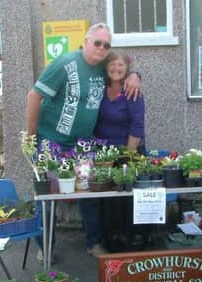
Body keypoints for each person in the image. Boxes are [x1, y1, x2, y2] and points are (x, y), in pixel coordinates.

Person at [26, 22, 141, 258]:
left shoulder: (102, 67)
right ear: (86, 42)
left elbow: (121, 68)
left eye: (106, 45)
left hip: (84, 143)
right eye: (97, 42)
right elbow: (34, 96)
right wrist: (31, 137)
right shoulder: (64, 64)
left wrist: (135, 75)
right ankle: (44, 247)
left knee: (89, 193)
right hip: (51, 141)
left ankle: (94, 243)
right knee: (47, 196)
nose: (101, 48)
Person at [94, 52, 147, 250]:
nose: (116, 69)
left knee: (127, 198)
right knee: (107, 200)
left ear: (127, 70)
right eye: (112, 65)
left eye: (121, 66)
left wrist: (127, 157)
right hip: (104, 155)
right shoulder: (100, 90)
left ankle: (130, 240)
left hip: (128, 152)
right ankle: (110, 239)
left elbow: (137, 125)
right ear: (106, 68)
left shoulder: (132, 91)